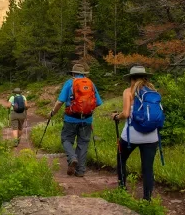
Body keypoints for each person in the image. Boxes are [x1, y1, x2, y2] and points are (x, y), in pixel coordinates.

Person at [111, 65, 161, 201]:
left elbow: (126, 114)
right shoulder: (152, 91)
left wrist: (116, 116)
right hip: (152, 136)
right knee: (147, 168)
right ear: (145, 77)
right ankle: (147, 199)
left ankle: (122, 189)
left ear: (131, 78)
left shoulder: (128, 91)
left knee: (121, 159)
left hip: (131, 135)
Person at [49, 64, 103, 177]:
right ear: (84, 74)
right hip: (87, 119)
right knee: (83, 143)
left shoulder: (69, 83)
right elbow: (97, 102)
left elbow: (60, 102)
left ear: (73, 73)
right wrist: (87, 112)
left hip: (70, 118)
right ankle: (80, 171)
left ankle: (72, 158)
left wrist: (52, 113)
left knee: (66, 139)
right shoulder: (90, 83)